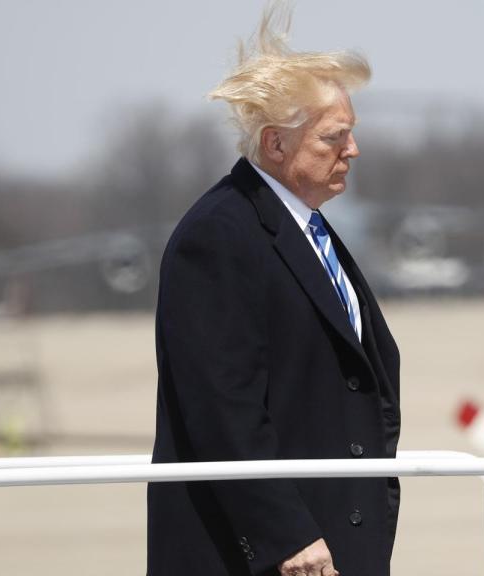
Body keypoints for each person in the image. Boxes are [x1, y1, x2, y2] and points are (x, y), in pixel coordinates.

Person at [147, 4, 400, 575]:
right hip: (279, 558)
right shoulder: (216, 236)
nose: (352, 151)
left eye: (351, 134)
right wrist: (288, 536)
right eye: (334, 138)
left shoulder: (307, 228)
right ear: (276, 145)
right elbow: (221, 406)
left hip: (336, 545)